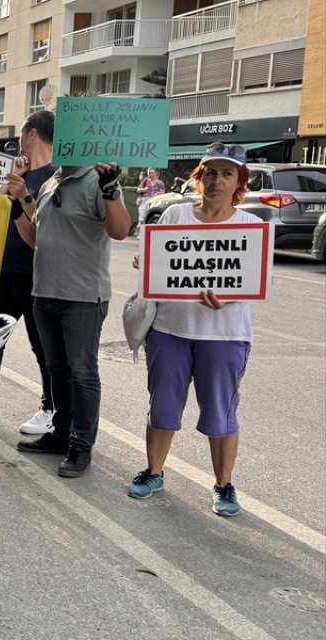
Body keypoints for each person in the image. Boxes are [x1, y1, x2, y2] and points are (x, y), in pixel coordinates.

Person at [126, 144, 256, 517]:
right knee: (163, 404)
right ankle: (153, 472)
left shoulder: (249, 226)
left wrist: (230, 299)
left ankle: (224, 485)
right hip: (170, 327)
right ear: (199, 178)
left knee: (221, 411)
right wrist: (147, 261)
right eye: (210, 173)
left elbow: (259, 279)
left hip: (226, 334)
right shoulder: (175, 215)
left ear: (239, 182)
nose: (217, 181)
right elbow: (158, 263)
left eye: (227, 174)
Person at [11, 146, 132, 478]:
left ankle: (81, 446)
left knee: (82, 372)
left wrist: (110, 189)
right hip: (45, 294)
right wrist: (20, 200)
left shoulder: (96, 179)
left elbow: (120, 231)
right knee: (58, 370)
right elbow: (37, 237)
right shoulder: (52, 180)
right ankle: (61, 434)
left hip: (82, 297)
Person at [0, 111, 57, 433]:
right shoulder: (20, 173)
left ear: (31, 134)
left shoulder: (55, 177)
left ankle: (50, 407)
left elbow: (49, 228)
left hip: (37, 276)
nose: (18, 141)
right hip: (5, 272)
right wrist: (11, 179)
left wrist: (23, 193)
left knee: (42, 346)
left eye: (21, 134)